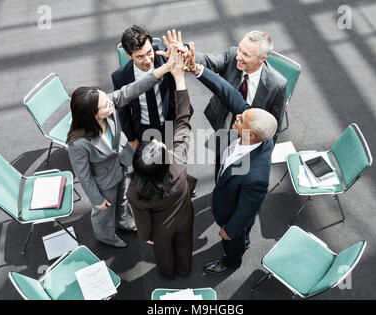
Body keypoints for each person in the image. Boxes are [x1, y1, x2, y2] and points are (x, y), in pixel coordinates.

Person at [66, 55, 175, 248]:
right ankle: (106, 236)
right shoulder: (78, 143)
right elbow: (83, 175)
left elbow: (131, 90)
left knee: (123, 197)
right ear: (92, 114)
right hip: (104, 181)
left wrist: (163, 69)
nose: (110, 104)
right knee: (104, 212)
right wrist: (96, 199)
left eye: (107, 101)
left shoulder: (105, 103)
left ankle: (123, 221)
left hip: (123, 162)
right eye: (105, 106)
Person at [187, 44, 278, 273]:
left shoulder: (255, 177)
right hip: (230, 190)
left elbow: (249, 207)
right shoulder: (252, 124)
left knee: (234, 240)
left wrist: (231, 228)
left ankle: (230, 261)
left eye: (240, 120)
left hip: (233, 213)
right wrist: (197, 68)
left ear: (252, 135)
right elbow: (227, 91)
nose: (236, 118)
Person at [126, 48, 196, 280]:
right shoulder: (178, 162)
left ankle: (168, 275)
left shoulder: (135, 191)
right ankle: (185, 271)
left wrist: (147, 235)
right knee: (185, 247)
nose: (157, 139)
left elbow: (142, 221)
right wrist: (180, 79)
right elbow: (183, 119)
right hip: (185, 219)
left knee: (163, 255)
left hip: (160, 230)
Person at [194, 31, 286, 179]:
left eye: (246, 55)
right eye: (239, 50)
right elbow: (208, 60)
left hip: (248, 136)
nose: (238, 57)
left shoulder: (277, 85)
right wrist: (187, 54)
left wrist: (262, 158)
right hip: (223, 123)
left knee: (240, 172)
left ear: (262, 58)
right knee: (221, 158)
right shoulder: (232, 56)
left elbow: (275, 127)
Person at [111, 25, 179, 148]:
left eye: (149, 52)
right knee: (149, 165)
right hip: (144, 129)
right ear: (128, 55)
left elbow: (185, 49)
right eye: (140, 56)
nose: (147, 60)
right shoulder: (120, 76)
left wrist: (180, 50)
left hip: (171, 124)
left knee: (174, 163)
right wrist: (131, 138)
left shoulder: (165, 54)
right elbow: (123, 110)